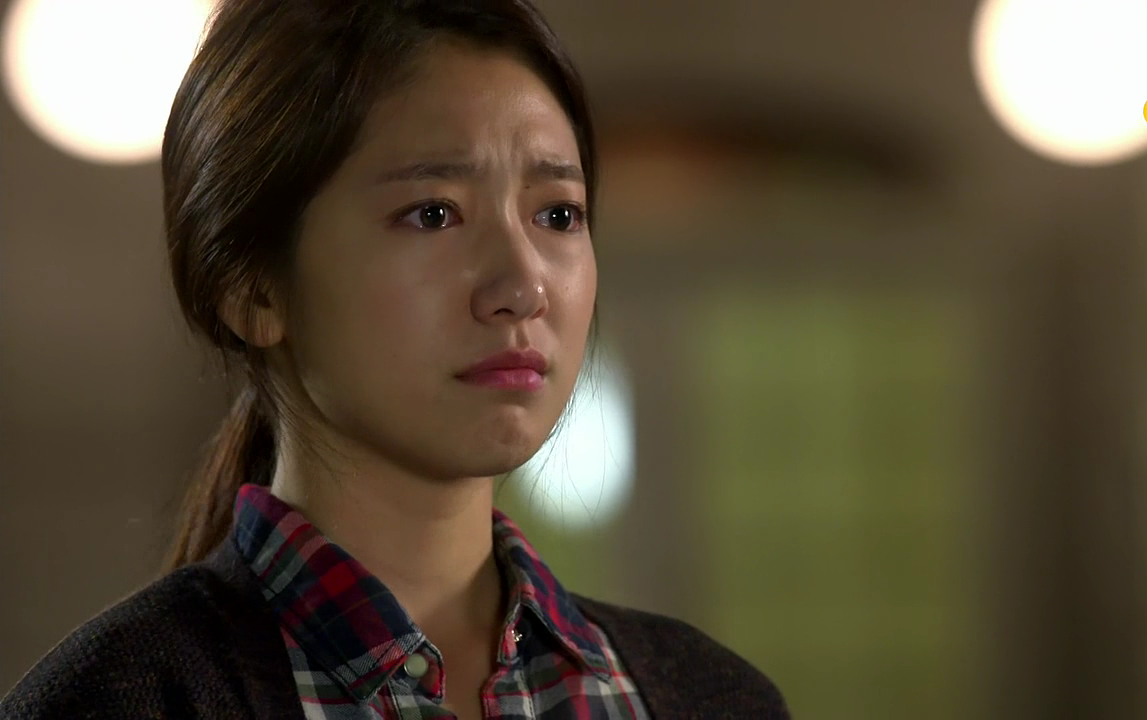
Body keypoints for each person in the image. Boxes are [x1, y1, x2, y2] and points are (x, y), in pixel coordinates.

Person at [0, 1, 789, 718]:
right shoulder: (119, 701)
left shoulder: (707, 698)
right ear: (253, 289)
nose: (522, 288)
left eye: (557, 214)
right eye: (433, 214)